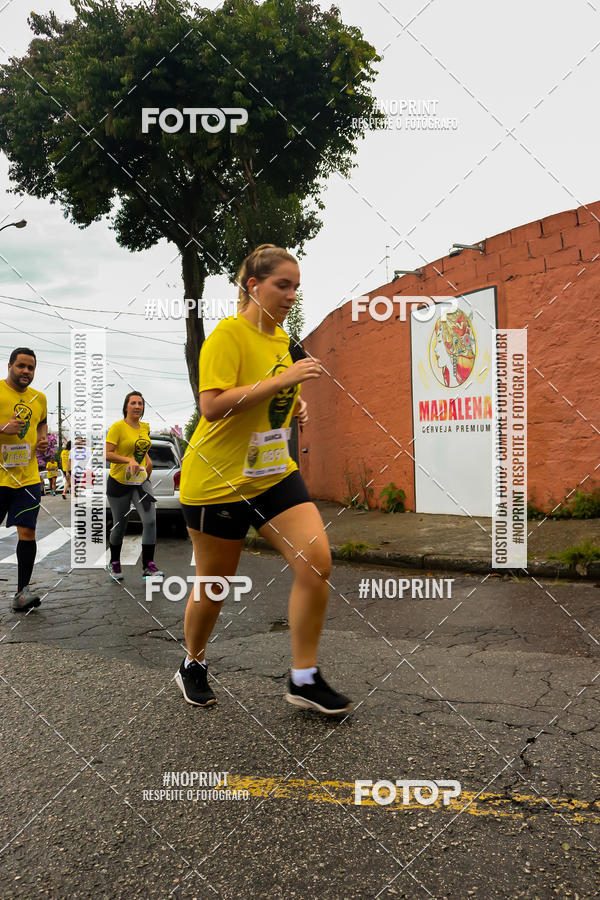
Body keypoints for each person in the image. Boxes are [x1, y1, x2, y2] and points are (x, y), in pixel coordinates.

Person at [176, 244, 353, 715]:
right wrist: (281, 383)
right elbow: (211, 406)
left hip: (272, 474)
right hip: (217, 482)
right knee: (214, 587)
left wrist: (291, 402)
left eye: (296, 287)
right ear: (253, 286)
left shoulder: (281, 339)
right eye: (282, 285)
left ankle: (304, 677)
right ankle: (192, 663)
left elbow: (268, 391)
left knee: (316, 561)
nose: (291, 295)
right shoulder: (228, 336)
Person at [0, 348, 48, 611]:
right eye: (21, 366)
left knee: (27, 531)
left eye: (30, 368)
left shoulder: (39, 398)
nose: (26, 372)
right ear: (10, 366)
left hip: (27, 478)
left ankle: (21, 593)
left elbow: (42, 422)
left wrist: (42, 438)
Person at [105, 391, 163, 581]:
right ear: (126, 406)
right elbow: (108, 453)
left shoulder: (144, 427)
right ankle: (114, 563)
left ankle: (148, 567)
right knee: (120, 525)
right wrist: (127, 460)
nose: (137, 406)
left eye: (140, 403)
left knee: (150, 521)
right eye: (133, 403)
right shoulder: (117, 427)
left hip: (140, 482)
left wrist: (148, 462)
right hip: (119, 483)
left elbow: (142, 447)